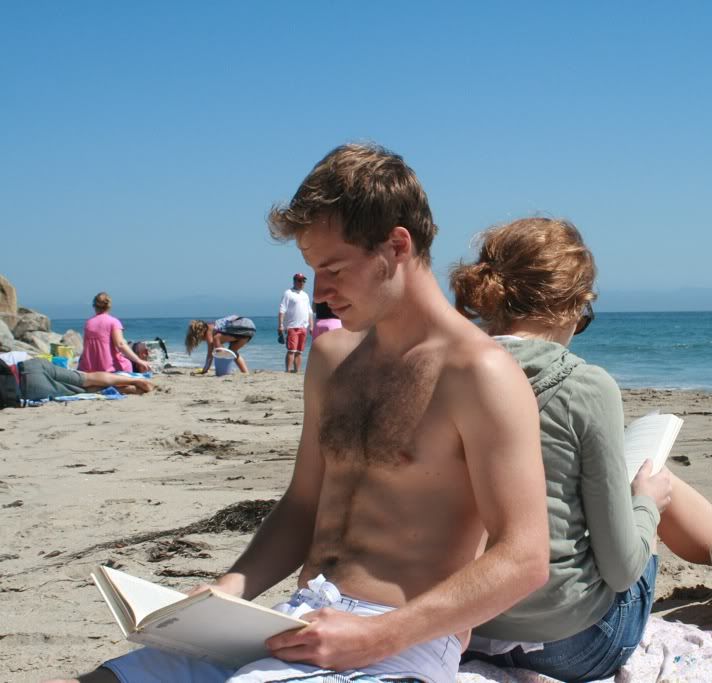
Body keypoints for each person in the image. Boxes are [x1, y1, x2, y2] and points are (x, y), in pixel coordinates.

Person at [50, 143, 550, 683]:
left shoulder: (480, 372)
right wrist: (228, 590)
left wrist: (376, 636)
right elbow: (304, 503)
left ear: (396, 245)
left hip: (401, 639)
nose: (323, 293)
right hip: (293, 619)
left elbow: (524, 557)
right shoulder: (333, 357)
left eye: (333, 269)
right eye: (313, 272)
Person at [450, 217, 712, 681]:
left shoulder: (444, 370)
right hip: (570, 645)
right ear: (572, 305)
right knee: (654, 484)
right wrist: (646, 506)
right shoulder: (582, 385)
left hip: (465, 626)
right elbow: (622, 569)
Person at [1, 351, 153, 400]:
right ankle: (134, 379)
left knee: (84, 391)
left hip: (27, 386)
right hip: (30, 364)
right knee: (86, 378)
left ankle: (129, 390)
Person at [77, 293, 150, 374]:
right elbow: (120, 344)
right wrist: (139, 360)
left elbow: (85, 346)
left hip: (88, 368)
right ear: (109, 306)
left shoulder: (88, 323)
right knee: (128, 363)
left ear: (94, 306)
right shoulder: (113, 322)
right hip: (108, 368)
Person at [184, 315, 255, 374]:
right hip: (251, 328)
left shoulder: (209, 329)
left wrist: (205, 369)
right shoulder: (217, 325)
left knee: (216, 339)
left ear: (200, 332)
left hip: (243, 325)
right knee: (232, 352)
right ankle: (245, 373)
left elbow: (210, 353)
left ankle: (222, 370)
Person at [278, 273, 314, 372]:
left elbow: (309, 311)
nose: (302, 283)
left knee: (299, 351)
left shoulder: (305, 295)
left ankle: (297, 371)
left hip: (303, 327)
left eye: (303, 281)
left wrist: (311, 326)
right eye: (299, 280)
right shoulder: (288, 293)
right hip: (292, 326)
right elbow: (282, 310)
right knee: (291, 350)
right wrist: (281, 325)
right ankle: (288, 370)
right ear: (294, 281)